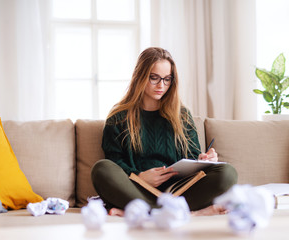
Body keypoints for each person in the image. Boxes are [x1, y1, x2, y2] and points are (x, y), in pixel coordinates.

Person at [91, 47, 237, 216]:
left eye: (167, 79)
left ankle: (144, 213)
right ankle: (183, 213)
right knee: (102, 169)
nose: (161, 85)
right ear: (140, 76)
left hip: (179, 191)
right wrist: (139, 176)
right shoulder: (119, 117)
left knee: (228, 173)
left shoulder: (182, 115)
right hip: (137, 189)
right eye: (154, 78)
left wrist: (204, 160)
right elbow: (114, 161)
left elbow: (193, 157)